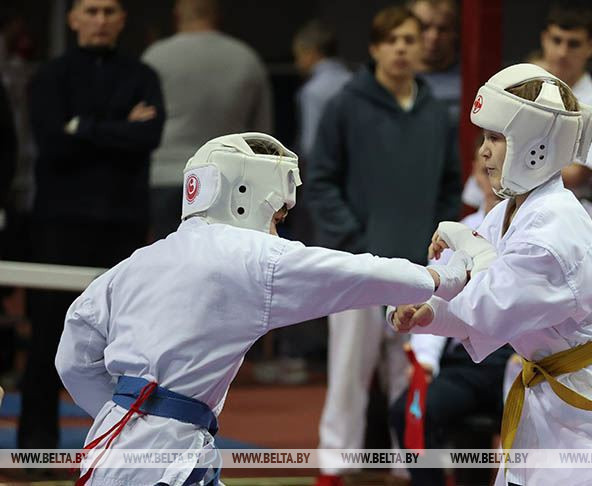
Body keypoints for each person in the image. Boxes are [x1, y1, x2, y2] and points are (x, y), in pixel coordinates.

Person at [55, 132, 456, 486]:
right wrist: (444, 277)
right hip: (168, 457)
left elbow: (72, 359)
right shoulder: (251, 255)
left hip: (110, 443)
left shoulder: (135, 262)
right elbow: (357, 273)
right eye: (278, 215)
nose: (277, 228)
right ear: (245, 196)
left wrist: (127, 412)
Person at [392, 63, 592, 486]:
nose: (484, 152)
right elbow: (465, 273)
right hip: (545, 394)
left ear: (535, 145)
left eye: (495, 138)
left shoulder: (551, 229)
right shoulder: (512, 209)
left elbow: (490, 307)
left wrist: (461, 248)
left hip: (588, 408)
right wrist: (427, 309)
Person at [307, 7, 461, 486]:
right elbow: (321, 181)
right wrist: (354, 241)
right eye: (391, 39)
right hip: (353, 268)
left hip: (416, 269)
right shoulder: (344, 105)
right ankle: (333, 468)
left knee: (410, 372)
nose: (401, 48)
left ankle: (408, 468)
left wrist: (435, 249)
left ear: (422, 48)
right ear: (374, 48)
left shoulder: (436, 112)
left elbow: (449, 187)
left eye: (410, 39)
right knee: (349, 373)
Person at [21, 0, 164, 451]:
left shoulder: (143, 76)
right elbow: (52, 143)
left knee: (128, 343)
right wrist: (120, 127)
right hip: (59, 224)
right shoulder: (49, 76)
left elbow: (147, 137)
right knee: (47, 336)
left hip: (122, 224)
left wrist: (82, 128)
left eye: (109, 11)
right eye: (91, 10)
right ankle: (36, 447)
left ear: (122, 19)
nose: (100, 20)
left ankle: (124, 449)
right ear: (73, 18)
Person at [389, 140, 511, 486]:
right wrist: (424, 361)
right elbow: (432, 294)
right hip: (466, 361)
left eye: (498, 161)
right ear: (475, 171)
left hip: (522, 359)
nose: (489, 164)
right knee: (408, 411)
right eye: (483, 161)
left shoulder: (533, 225)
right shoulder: (456, 230)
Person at [143, 0, 273, 240]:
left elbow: (141, 124)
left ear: (177, 14)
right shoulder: (247, 59)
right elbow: (262, 135)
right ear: (217, 14)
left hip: (164, 176)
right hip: (226, 181)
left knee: (165, 267)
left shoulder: (155, 58)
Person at [539, 3, 592, 190]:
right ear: (544, 39)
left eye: (574, 44)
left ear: (591, 48)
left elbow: (577, 175)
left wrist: (515, 165)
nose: (562, 52)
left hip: (570, 208)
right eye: (556, 40)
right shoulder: (520, 87)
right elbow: (487, 158)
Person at [293, 20, 351, 160]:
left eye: (298, 55)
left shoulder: (312, 92)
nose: (297, 63)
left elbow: (310, 146)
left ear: (311, 52)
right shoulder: (355, 82)